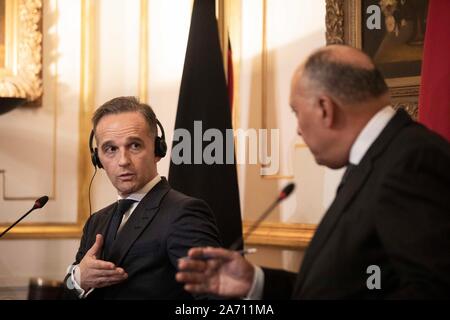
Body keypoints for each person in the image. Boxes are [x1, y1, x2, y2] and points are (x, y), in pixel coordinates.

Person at [176, 45, 450, 299]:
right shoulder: (381, 158)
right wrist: (256, 282)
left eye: (296, 112)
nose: (297, 128)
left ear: (324, 108)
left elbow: (433, 289)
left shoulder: (412, 161)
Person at [63, 96, 221, 299]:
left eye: (135, 146)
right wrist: (78, 279)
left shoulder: (185, 212)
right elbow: (66, 293)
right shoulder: (96, 221)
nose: (123, 161)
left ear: (157, 150)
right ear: (98, 159)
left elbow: (215, 297)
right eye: (111, 149)